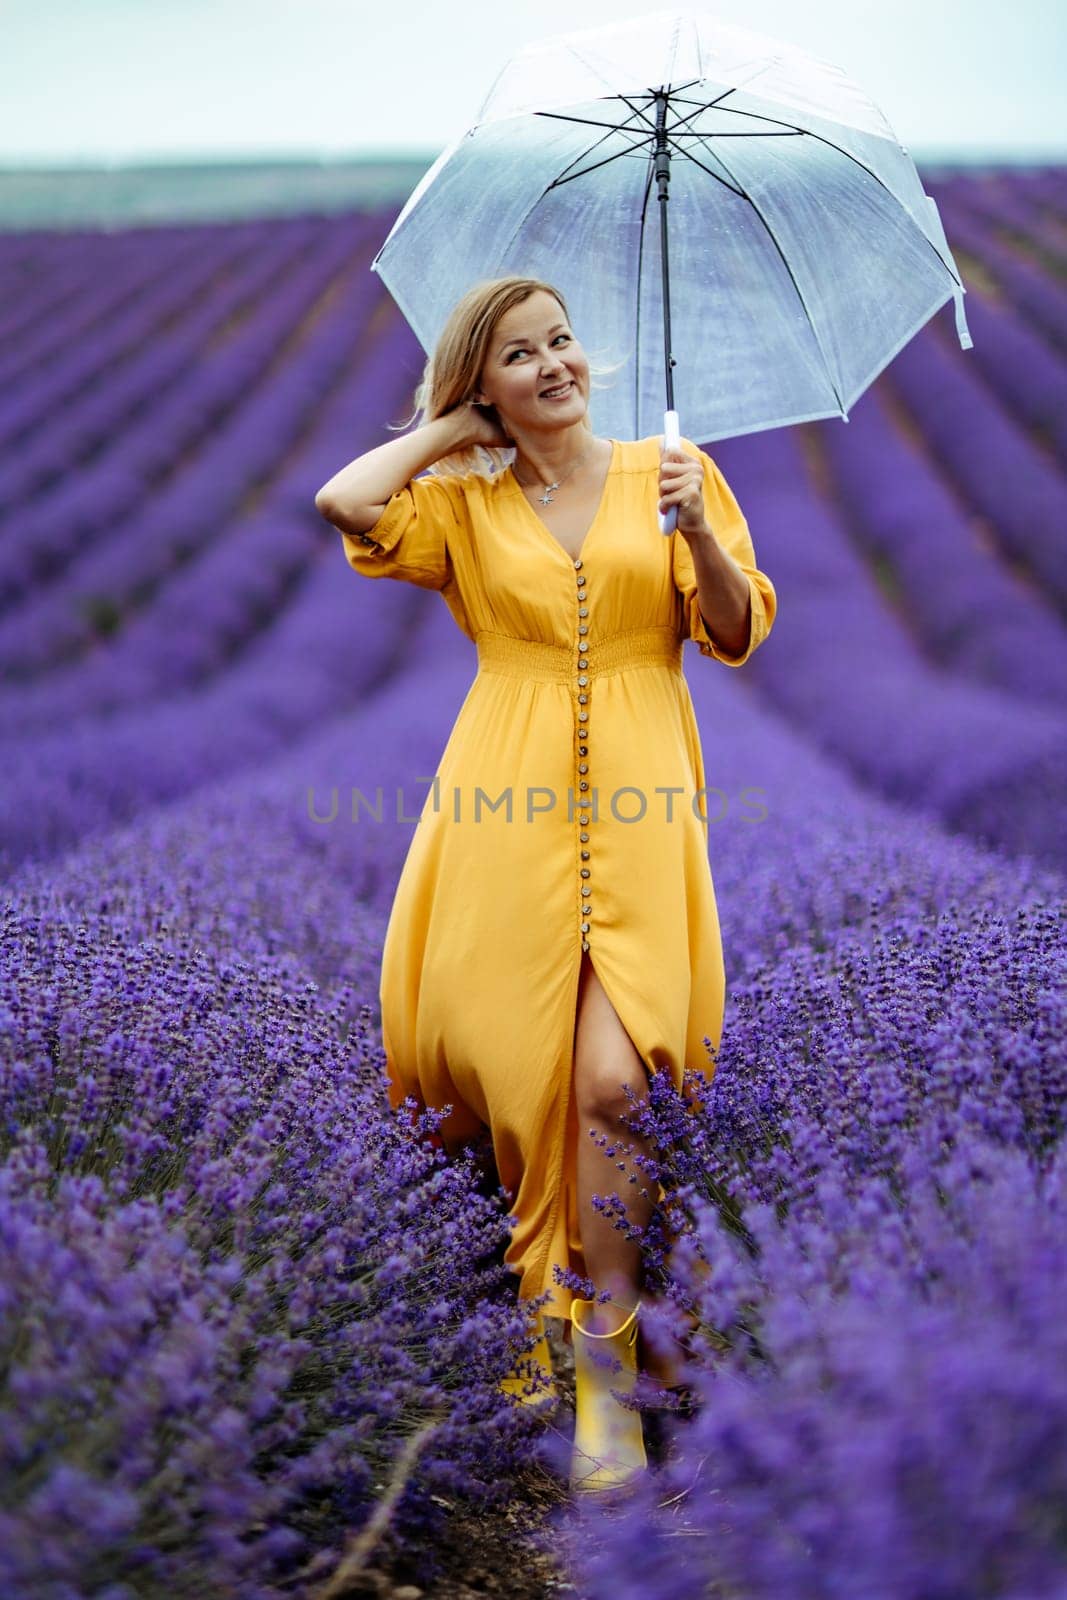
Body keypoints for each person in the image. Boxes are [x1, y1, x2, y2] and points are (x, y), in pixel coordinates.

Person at [314, 275, 777, 1492]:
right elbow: (344, 499)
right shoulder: (460, 506)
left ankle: (607, 1371)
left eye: (563, 341)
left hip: (640, 810)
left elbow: (730, 631)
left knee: (618, 1082)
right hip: (498, 819)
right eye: (521, 356)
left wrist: (699, 535)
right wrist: (451, 431)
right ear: (484, 385)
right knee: (529, 1090)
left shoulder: (670, 475)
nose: (556, 365)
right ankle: (565, 1357)